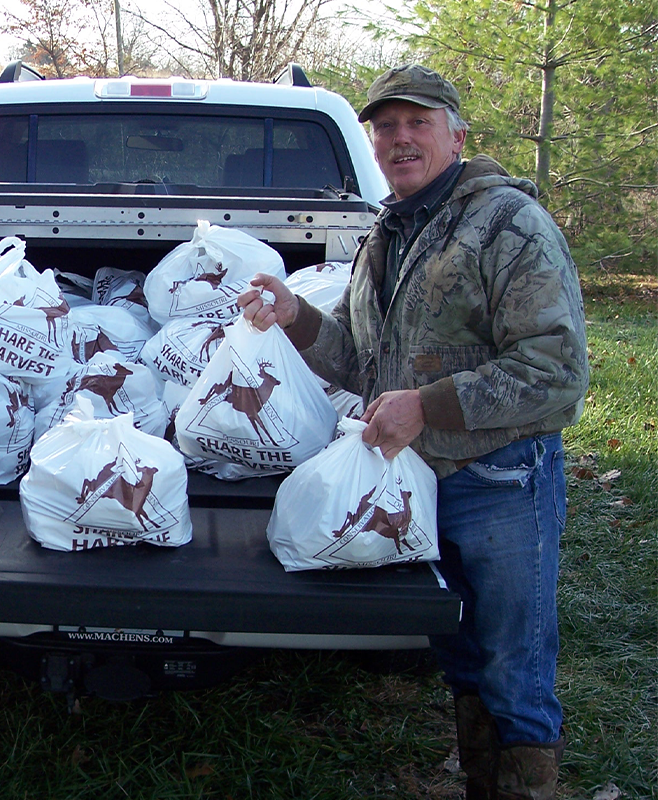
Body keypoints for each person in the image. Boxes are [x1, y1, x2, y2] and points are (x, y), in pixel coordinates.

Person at [238, 64, 588, 800]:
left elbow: (557, 371)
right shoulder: (389, 233)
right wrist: (294, 313)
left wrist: (426, 404)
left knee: (513, 669)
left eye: (418, 122)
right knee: (461, 658)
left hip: (500, 477)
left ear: (456, 134)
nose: (401, 138)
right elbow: (366, 363)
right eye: (387, 126)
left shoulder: (508, 223)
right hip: (419, 482)